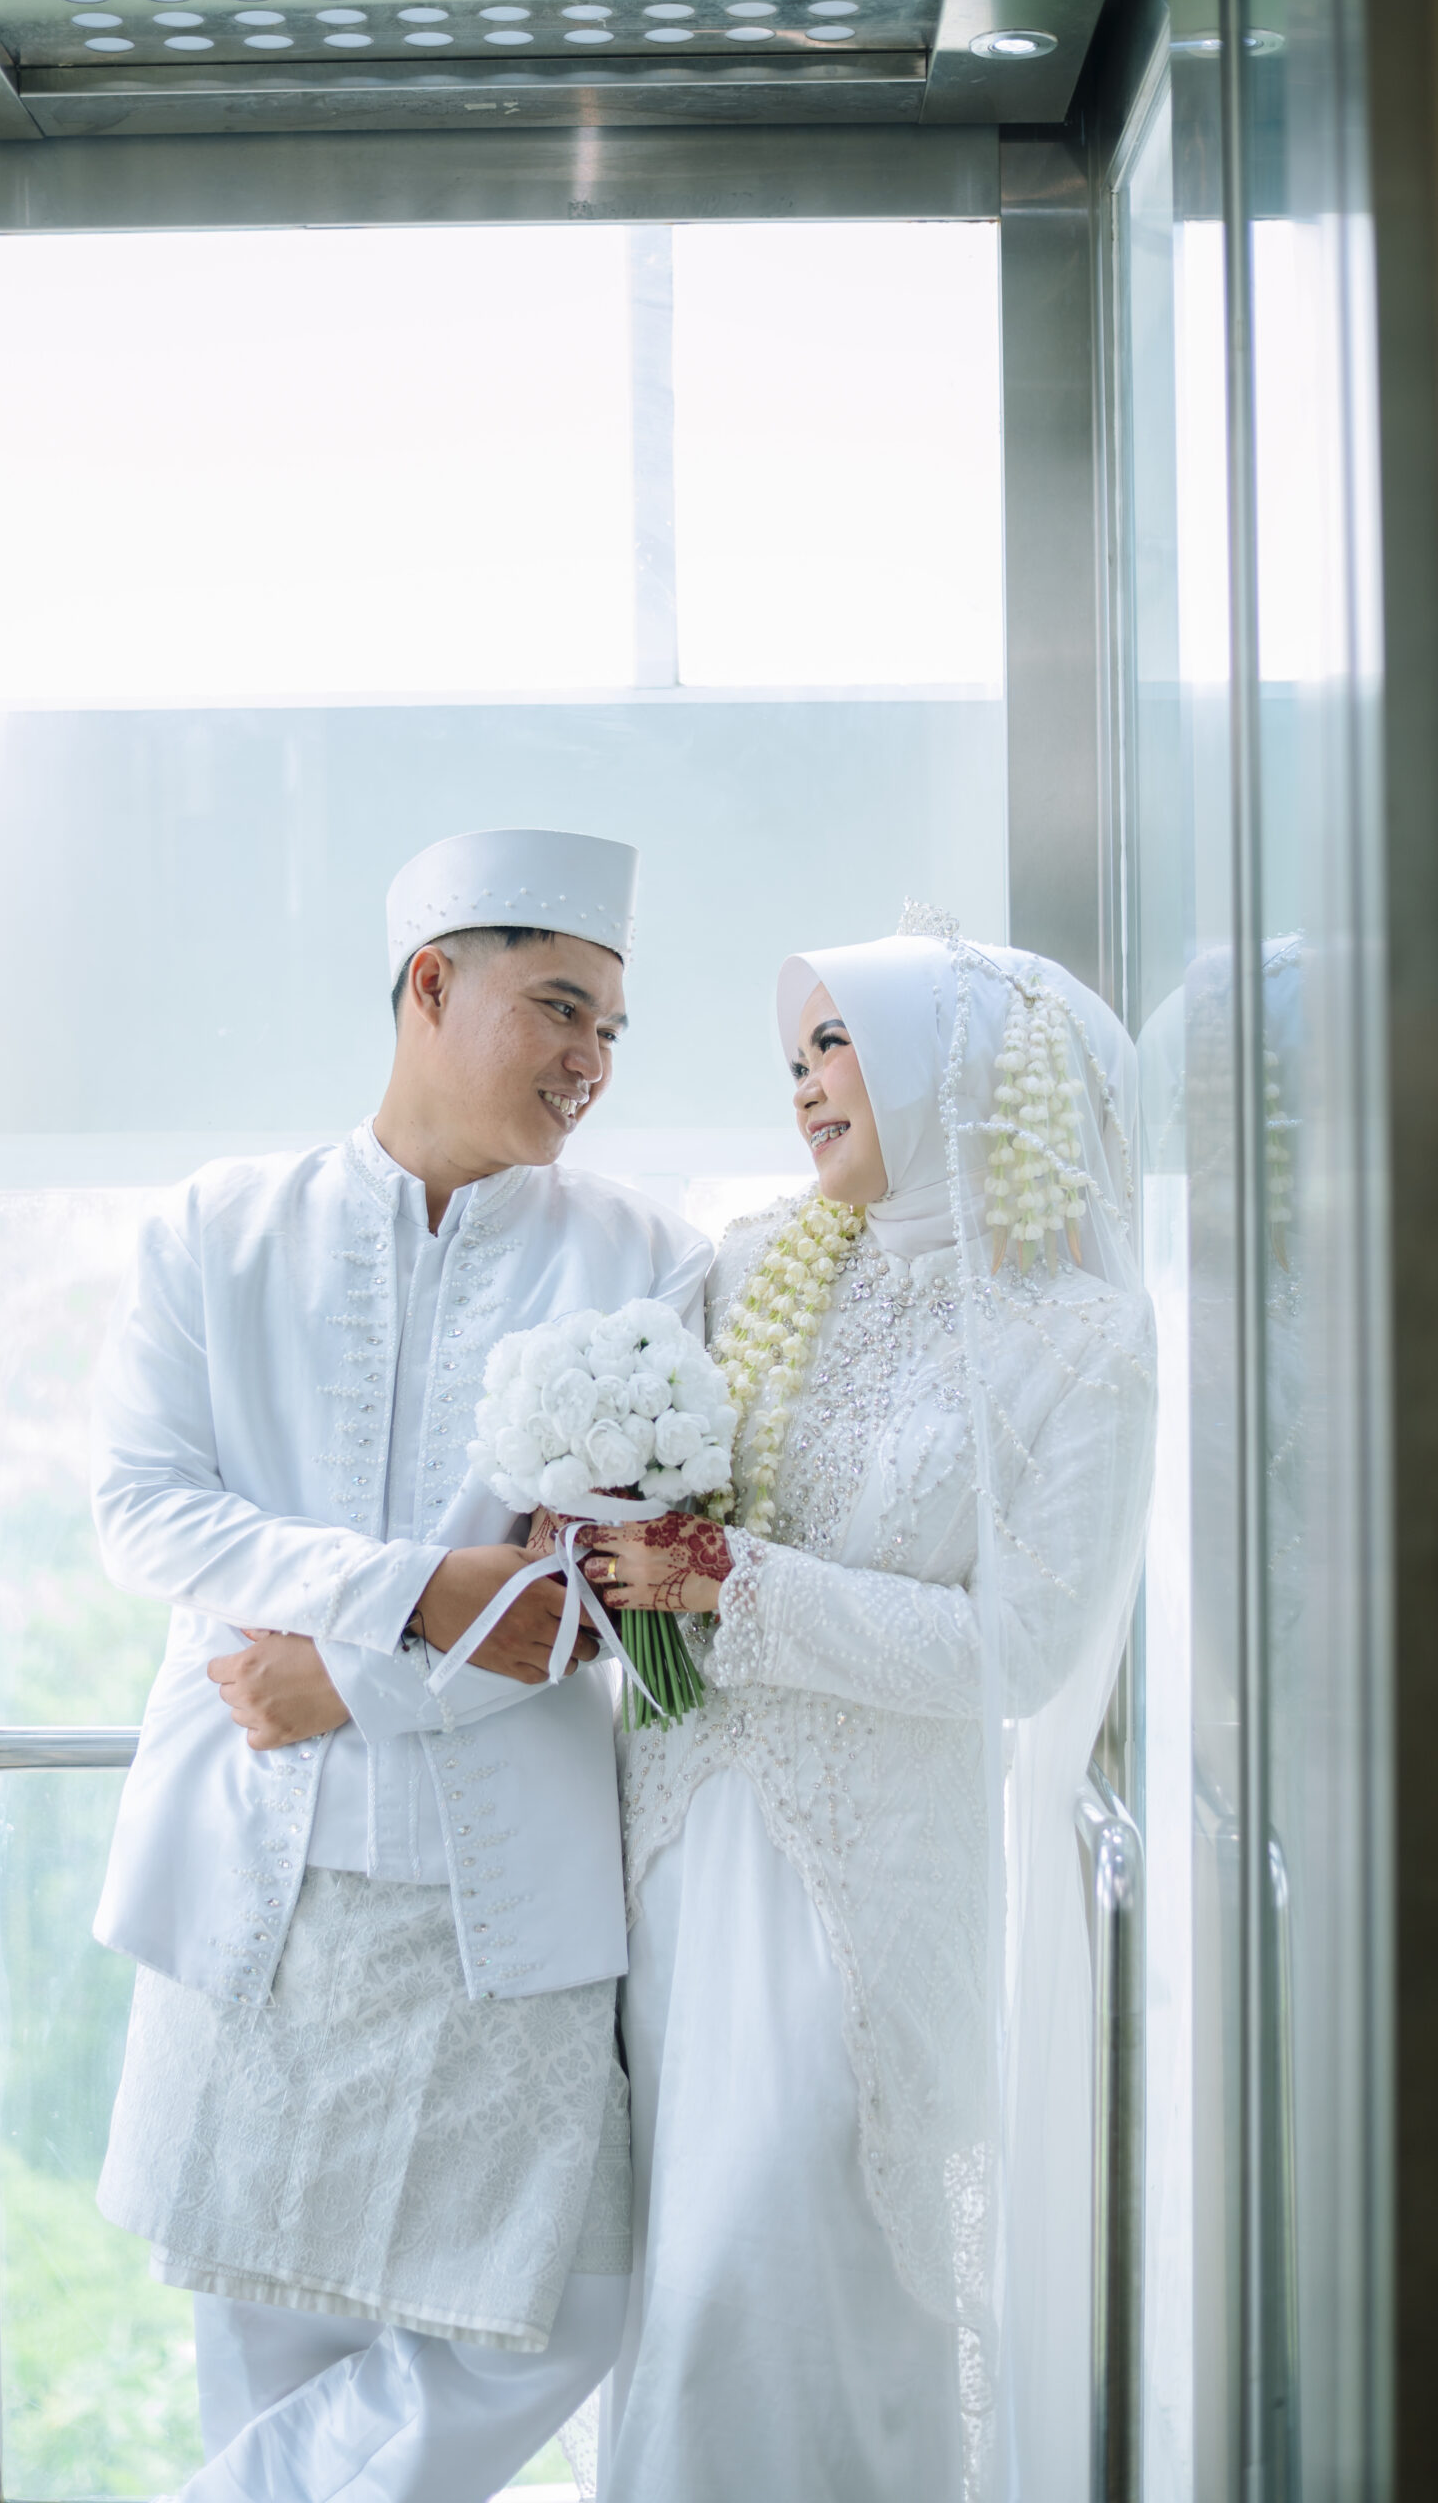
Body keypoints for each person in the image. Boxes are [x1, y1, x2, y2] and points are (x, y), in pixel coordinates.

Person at [90, 827, 712, 2503]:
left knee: (562, 2313)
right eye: (560, 1008)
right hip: (255, 1876)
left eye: (612, 1031)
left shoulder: (648, 1259)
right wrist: (420, 1592)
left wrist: (352, 1678)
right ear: (431, 983)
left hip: (499, 1894)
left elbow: (602, 1595)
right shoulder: (215, 1227)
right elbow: (145, 1510)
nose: (591, 1062)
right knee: (264, 2337)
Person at [583, 914, 1158, 2503]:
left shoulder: (1083, 1342)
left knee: (789, 2273)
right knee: (676, 2277)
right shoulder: (757, 1262)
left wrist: (736, 1586)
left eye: (838, 1044)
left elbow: (1018, 1654)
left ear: (953, 1065)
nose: (805, 1084)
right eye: (795, 1055)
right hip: (679, 1856)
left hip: (869, 1884)